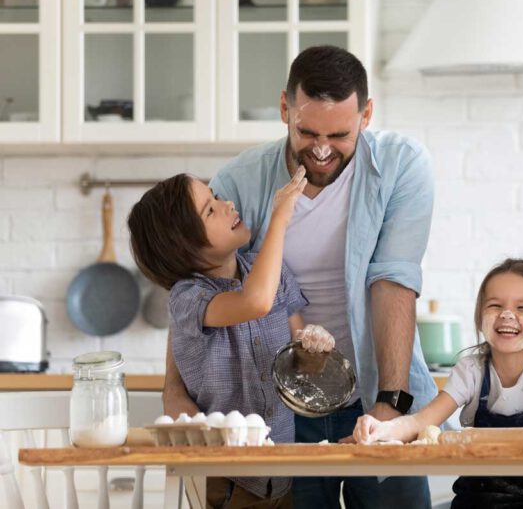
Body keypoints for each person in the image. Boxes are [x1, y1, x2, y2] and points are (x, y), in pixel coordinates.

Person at [162, 45, 436, 508]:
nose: (322, 149)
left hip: (379, 393)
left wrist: (390, 403)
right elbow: (197, 287)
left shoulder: (401, 166)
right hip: (281, 408)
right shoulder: (239, 182)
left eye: (340, 134)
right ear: (285, 109)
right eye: (307, 132)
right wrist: (173, 390)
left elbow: (393, 281)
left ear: (367, 115)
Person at [127, 167, 336, 508]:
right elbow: (254, 303)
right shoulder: (188, 299)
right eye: (210, 210)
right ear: (184, 246)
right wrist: (280, 218)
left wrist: (314, 348)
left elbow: (300, 365)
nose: (228, 205)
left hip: (282, 473)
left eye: (217, 197)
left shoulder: (274, 273)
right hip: (226, 481)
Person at [354, 259, 523, 509]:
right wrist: (381, 429)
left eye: (522, 307)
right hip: (477, 501)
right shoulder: (472, 369)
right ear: (479, 317)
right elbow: (421, 421)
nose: (507, 314)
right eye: (495, 305)